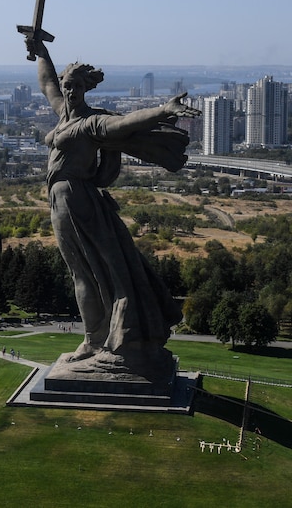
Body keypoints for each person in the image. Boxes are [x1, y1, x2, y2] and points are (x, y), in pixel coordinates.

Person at [27, 37, 200, 381]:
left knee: (97, 272)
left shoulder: (90, 124)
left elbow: (126, 124)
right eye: (67, 86)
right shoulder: (64, 113)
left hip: (77, 202)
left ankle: (103, 341)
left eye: (75, 86)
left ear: (85, 89)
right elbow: (47, 83)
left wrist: (164, 110)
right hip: (61, 201)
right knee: (83, 273)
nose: (70, 91)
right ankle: (94, 340)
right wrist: (41, 49)